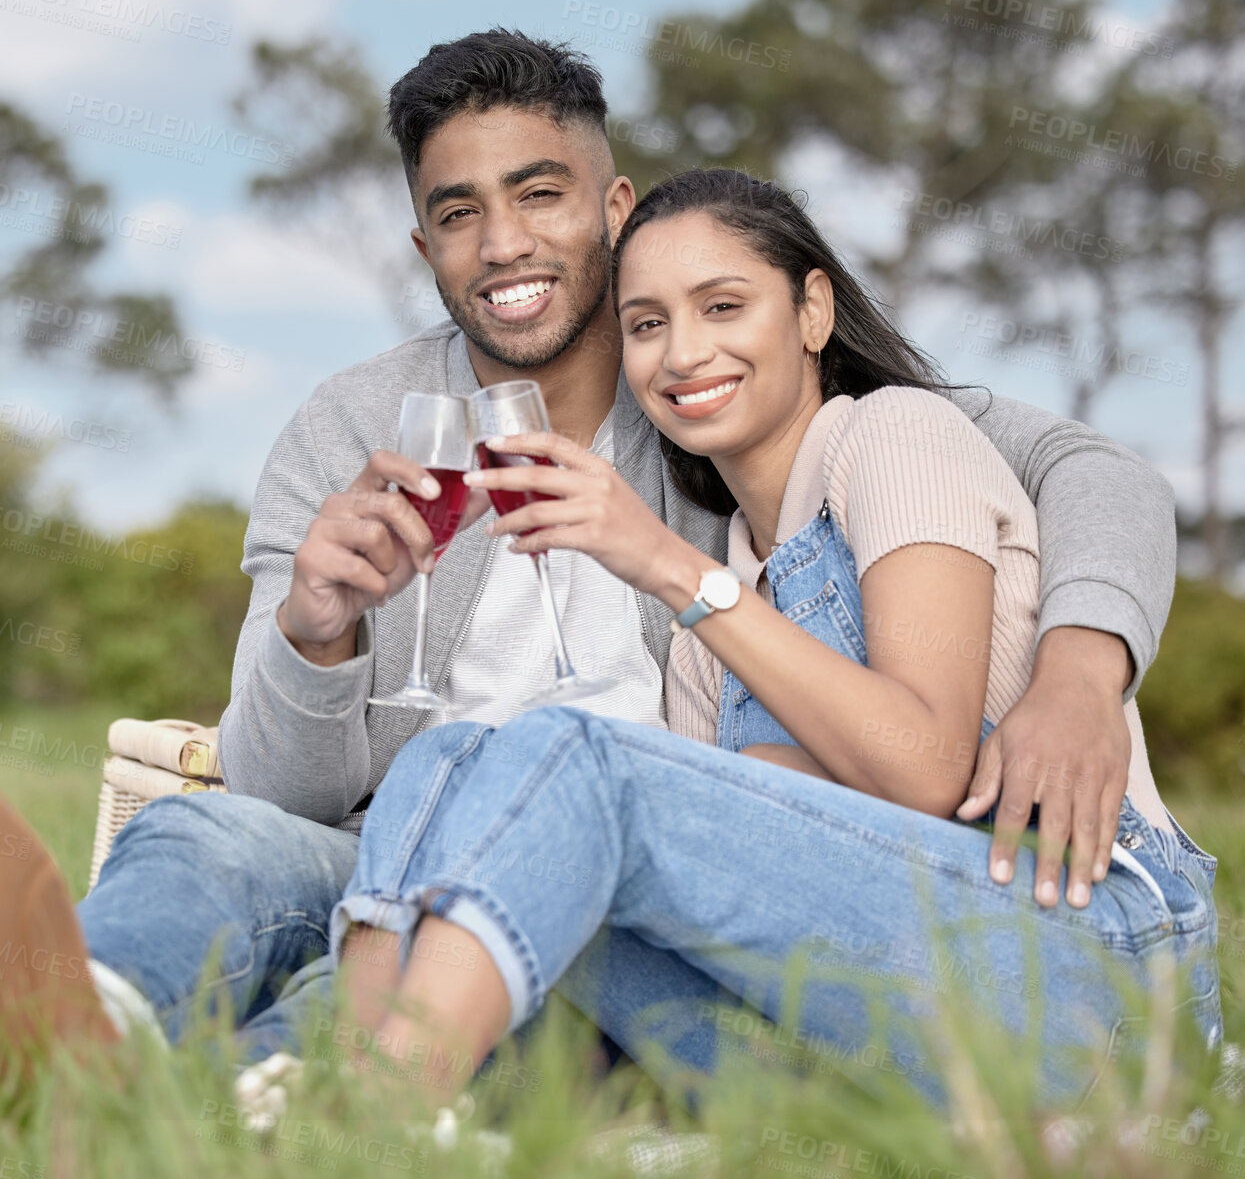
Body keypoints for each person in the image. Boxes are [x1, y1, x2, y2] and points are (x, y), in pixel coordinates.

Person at [0, 30, 1181, 1090]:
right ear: (424, 240)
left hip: (655, 873)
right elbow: (274, 782)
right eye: (457, 212)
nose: (503, 243)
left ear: (613, 205)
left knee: (518, 825)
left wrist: (1080, 656)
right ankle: (65, 1041)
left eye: (541, 193)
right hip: (409, 840)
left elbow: (1077, 472)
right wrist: (315, 630)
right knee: (212, 833)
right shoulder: (354, 429)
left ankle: (192, 1092)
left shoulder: (726, 400)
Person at [324, 166, 1219, 1107]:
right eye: (646, 324)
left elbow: (925, 768)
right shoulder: (717, 616)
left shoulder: (891, 437)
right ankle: (344, 1090)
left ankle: (380, 1121)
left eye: (722, 305)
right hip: (880, 1009)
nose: (682, 354)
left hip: (1086, 960)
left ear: (811, 312)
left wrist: (663, 563)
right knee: (456, 761)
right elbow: (770, 847)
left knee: (572, 756)